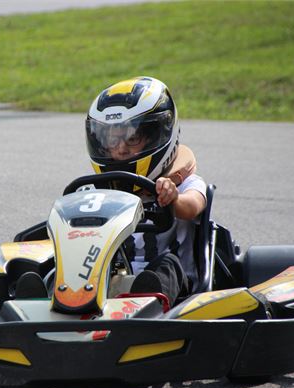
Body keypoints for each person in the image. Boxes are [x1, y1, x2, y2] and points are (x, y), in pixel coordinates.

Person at [85, 76, 207, 305]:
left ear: (157, 135)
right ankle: (49, 291)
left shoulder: (186, 184)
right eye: (112, 138)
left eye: (132, 138)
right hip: (115, 280)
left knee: (167, 263)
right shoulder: (103, 192)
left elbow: (192, 207)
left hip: (177, 290)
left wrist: (173, 198)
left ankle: (147, 299)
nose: (120, 148)